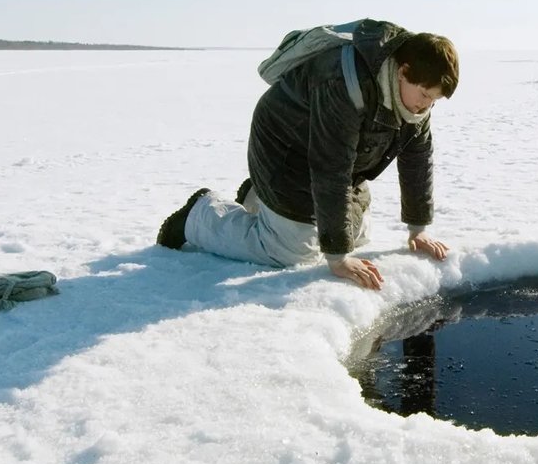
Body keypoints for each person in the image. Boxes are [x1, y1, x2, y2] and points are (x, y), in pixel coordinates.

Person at [156, 18, 459, 290]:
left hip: (337, 156)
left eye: (434, 100)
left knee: (356, 234)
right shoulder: (345, 82)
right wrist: (338, 258)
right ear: (403, 72)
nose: (426, 106)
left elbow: (417, 159)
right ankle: (199, 216)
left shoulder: (413, 100)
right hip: (285, 150)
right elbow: (331, 166)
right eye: (424, 95)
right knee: (293, 250)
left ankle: (259, 198)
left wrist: (418, 229)